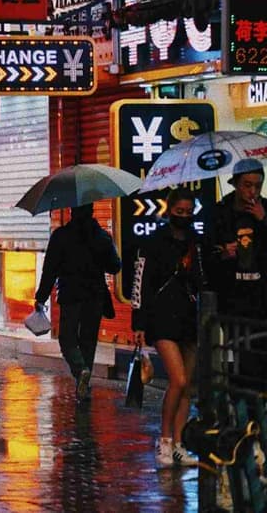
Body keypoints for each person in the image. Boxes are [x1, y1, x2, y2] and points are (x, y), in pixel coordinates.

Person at [132, 188, 202, 468]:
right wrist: (137, 322)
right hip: (161, 319)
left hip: (188, 317)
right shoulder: (153, 242)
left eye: (188, 212)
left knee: (188, 386)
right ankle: (164, 440)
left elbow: (202, 277)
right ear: (168, 210)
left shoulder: (196, 243)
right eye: (179, 211)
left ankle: (179, 444)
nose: (183, 216)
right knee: (179, 380)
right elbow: (140, 282)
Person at [34, 203, 121, 400]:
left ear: (72, 211)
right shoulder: (102, 237)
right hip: (95, 296)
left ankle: (81, 370)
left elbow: (49, 270)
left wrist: (41, 297)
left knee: (67, 340)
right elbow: (115, 266)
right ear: (91, 212)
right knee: (88, 342)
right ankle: (84, 384)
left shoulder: (61, 236)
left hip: (71, 296)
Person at [204, 157, 267, 387]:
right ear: (235, 184)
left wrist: (263, 220)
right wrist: (224, 253)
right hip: (232, 300)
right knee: (238, 359)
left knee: (261, 359)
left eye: (257, 185)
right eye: (247, 185)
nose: (252, 191)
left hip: (261, 299)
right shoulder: (220, 213)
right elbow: (206, 254)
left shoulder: (265, 210)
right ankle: (240, 411)